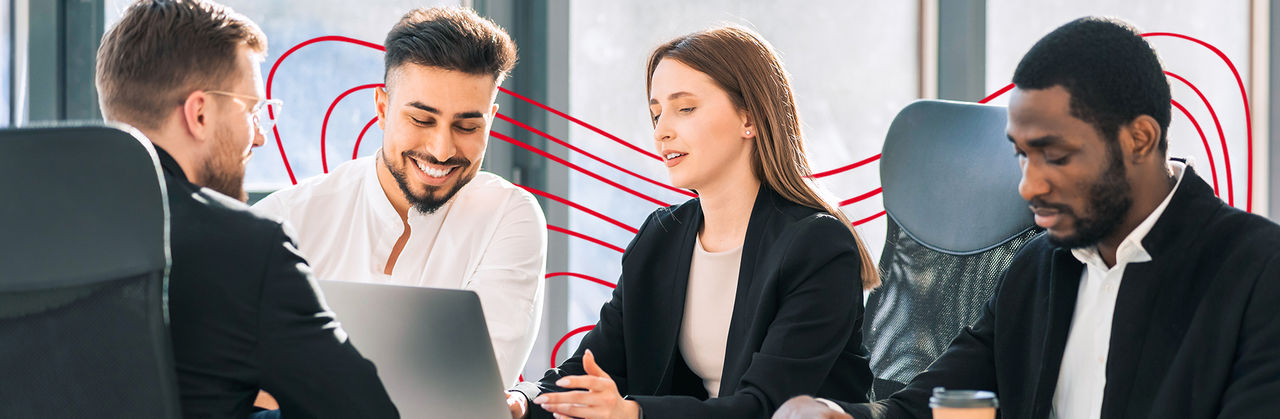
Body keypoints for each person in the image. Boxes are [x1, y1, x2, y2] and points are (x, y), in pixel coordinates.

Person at [774, 17, 1280, 419]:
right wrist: (840, 415)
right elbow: (932, 402)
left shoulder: (1257, 273)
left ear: (1139, 140)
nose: (1028, 186)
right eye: (1021, 155)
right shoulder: (1041, 265)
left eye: (1055, 156)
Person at [504, 25, 879, 419]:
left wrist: (630, 414)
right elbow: (588, 371)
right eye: (656, 113)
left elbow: (767, 408)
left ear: (748, 118)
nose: (662, 131)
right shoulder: (662, 236)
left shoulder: (817, 245)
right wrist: (521, 403)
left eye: (685, 109)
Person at [95, 0, 398, 417]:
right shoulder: (247, 250)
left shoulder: (24, 229)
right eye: (252, 110)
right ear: (199, 113)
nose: (259, 138)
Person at [252, 7, 545, 386]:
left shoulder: (509, 216)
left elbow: (470, 387)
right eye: (421, 120)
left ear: (490, 119)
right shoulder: (284, 219)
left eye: (468, 126)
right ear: (382, 107)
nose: (442, 150)